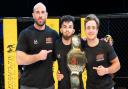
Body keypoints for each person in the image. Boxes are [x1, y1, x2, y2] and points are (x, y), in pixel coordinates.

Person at [16, 2, 59, 89]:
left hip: (49, 85)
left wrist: (82, 41)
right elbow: (19, 59)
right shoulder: (25, 33)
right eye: (37, 12)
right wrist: (38, 56)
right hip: (28, 85)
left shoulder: (54, 34)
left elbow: (61, 52)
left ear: (46, 15)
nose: (40, 15)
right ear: (33, 15)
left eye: (43, 12)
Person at [84, 14, 120, 89]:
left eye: (93, 28)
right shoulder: (82, 47)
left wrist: (106, 70)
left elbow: (117, 65)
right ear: (85, 30)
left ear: (97, 30)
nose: (91, 30)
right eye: (88, 28)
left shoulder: (106, 45)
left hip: (107, 87)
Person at [55, 15, 85, 89]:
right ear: (61, 29)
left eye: (70, 27)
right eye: (64, 27)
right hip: (62, 85)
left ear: (73, 30)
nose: (67, 29)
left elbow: (93, 44)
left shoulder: (80, 42)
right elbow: (49, 63)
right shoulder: (56, 44)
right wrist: (56, 73)